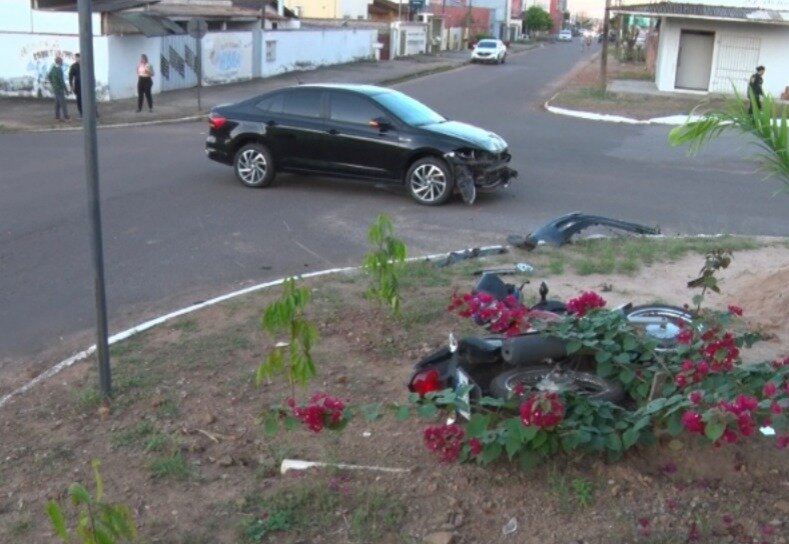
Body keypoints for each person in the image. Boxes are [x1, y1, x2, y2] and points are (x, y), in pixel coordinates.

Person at [47, 56, 70, 122]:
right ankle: (66, 117)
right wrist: (66, 90)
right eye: (62, 61)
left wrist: (53, 84)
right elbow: (61, 81)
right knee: (63, 103)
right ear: (60, 62)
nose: (62, 62)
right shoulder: (59, 69)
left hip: (55, 88)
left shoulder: (53, 68)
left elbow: (49, 76)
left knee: (57, 103)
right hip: (59, 88)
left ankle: (57, 117)